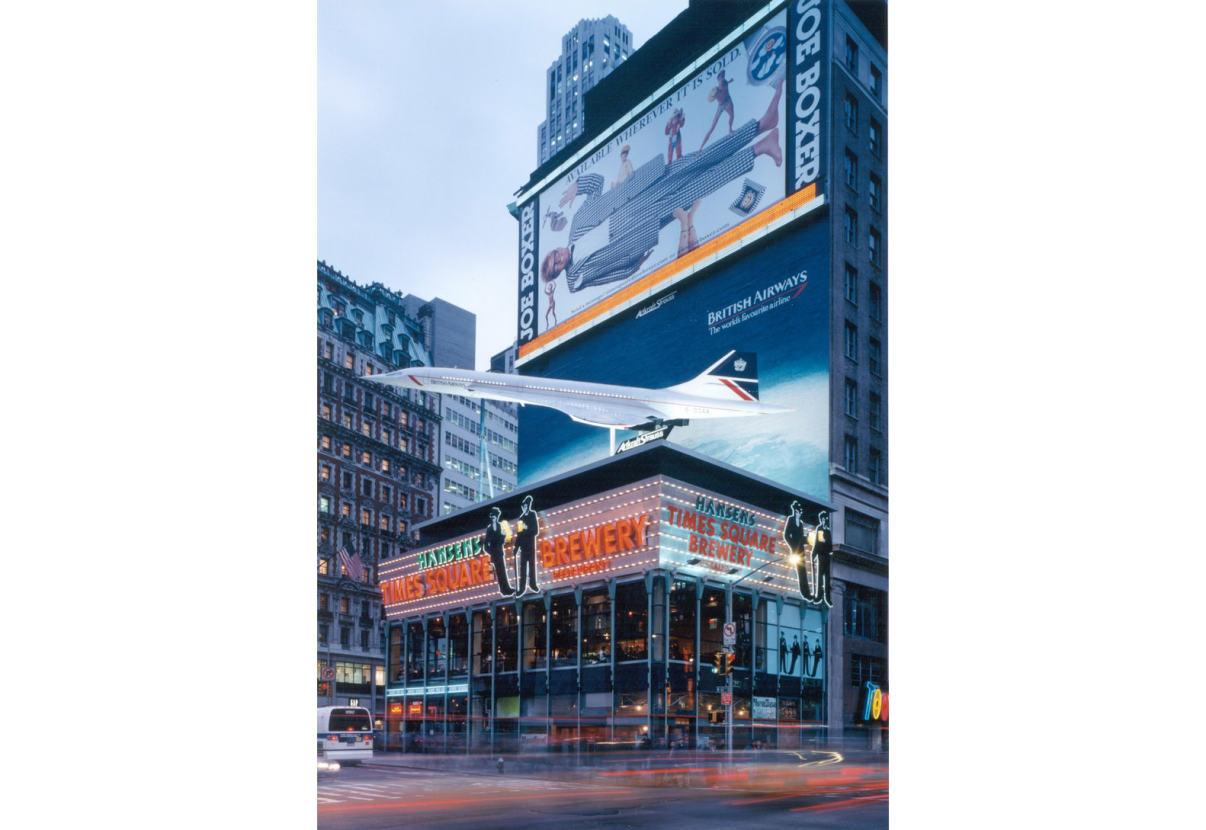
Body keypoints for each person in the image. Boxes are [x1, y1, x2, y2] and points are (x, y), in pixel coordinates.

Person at [541, 78, 784, 296]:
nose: (559, 258)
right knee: (702, 186)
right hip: (641, 226)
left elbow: (597, 185)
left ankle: (761, 125)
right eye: (557, 266)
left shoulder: (576, 224)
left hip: (641, 191)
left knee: (698, 161)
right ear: (558, 274)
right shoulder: (575, 280)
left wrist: (577, 184)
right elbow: (609, 274)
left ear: (555, 250)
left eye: (555, 255)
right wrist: (635, 264)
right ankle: (762, 147)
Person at [698, 69, 734, 154]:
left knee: (732, 116)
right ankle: (700, 149)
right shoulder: (716, 90)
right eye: (719, 79)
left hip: (728, 101)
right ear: (718, 80)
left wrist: (728, 80)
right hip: (721, 106)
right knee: (712, 128)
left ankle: (730, 129)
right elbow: (713, 96)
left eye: (722, 78)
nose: (721, 80)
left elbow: (725, 80)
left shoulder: (725, 82)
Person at [784, 500, 813, 600]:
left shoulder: (800, 523)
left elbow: (800, 538)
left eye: (798, 511)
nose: (797, 513)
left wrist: (808, 539)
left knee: (803, 573)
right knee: (800, 573)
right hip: (795, 552)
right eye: (796, 511)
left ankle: (807, 593)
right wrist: (793, 546)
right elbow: (787, 535)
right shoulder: (791, 519)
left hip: (801, 551)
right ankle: (804, 594)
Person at [483, 506, 514, 597]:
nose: (494, 517)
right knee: (499, 572)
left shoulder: (500, 525)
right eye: (492, 516)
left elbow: (501, 538)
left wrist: (503, 538)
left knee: (502, 571)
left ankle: (506, 589)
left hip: (500, 552)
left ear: (497, 516)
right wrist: (491, 552)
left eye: (495, 516)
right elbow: (486, 544)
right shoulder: (489, 528)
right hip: (495, 554)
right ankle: (503, 590)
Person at [514, 495, 541, 596]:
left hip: (530, 545)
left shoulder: (532, 515)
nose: (525, 508)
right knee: (523, 568)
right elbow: (519, 534)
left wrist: (527, 527)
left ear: (528, 506)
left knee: (532, 566)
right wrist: (516, 546)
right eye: (524, 506)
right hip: (523, 547)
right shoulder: (521, 518)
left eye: (526, 506)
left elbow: (535, 531)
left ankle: (533, 584)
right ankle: (522, 588)